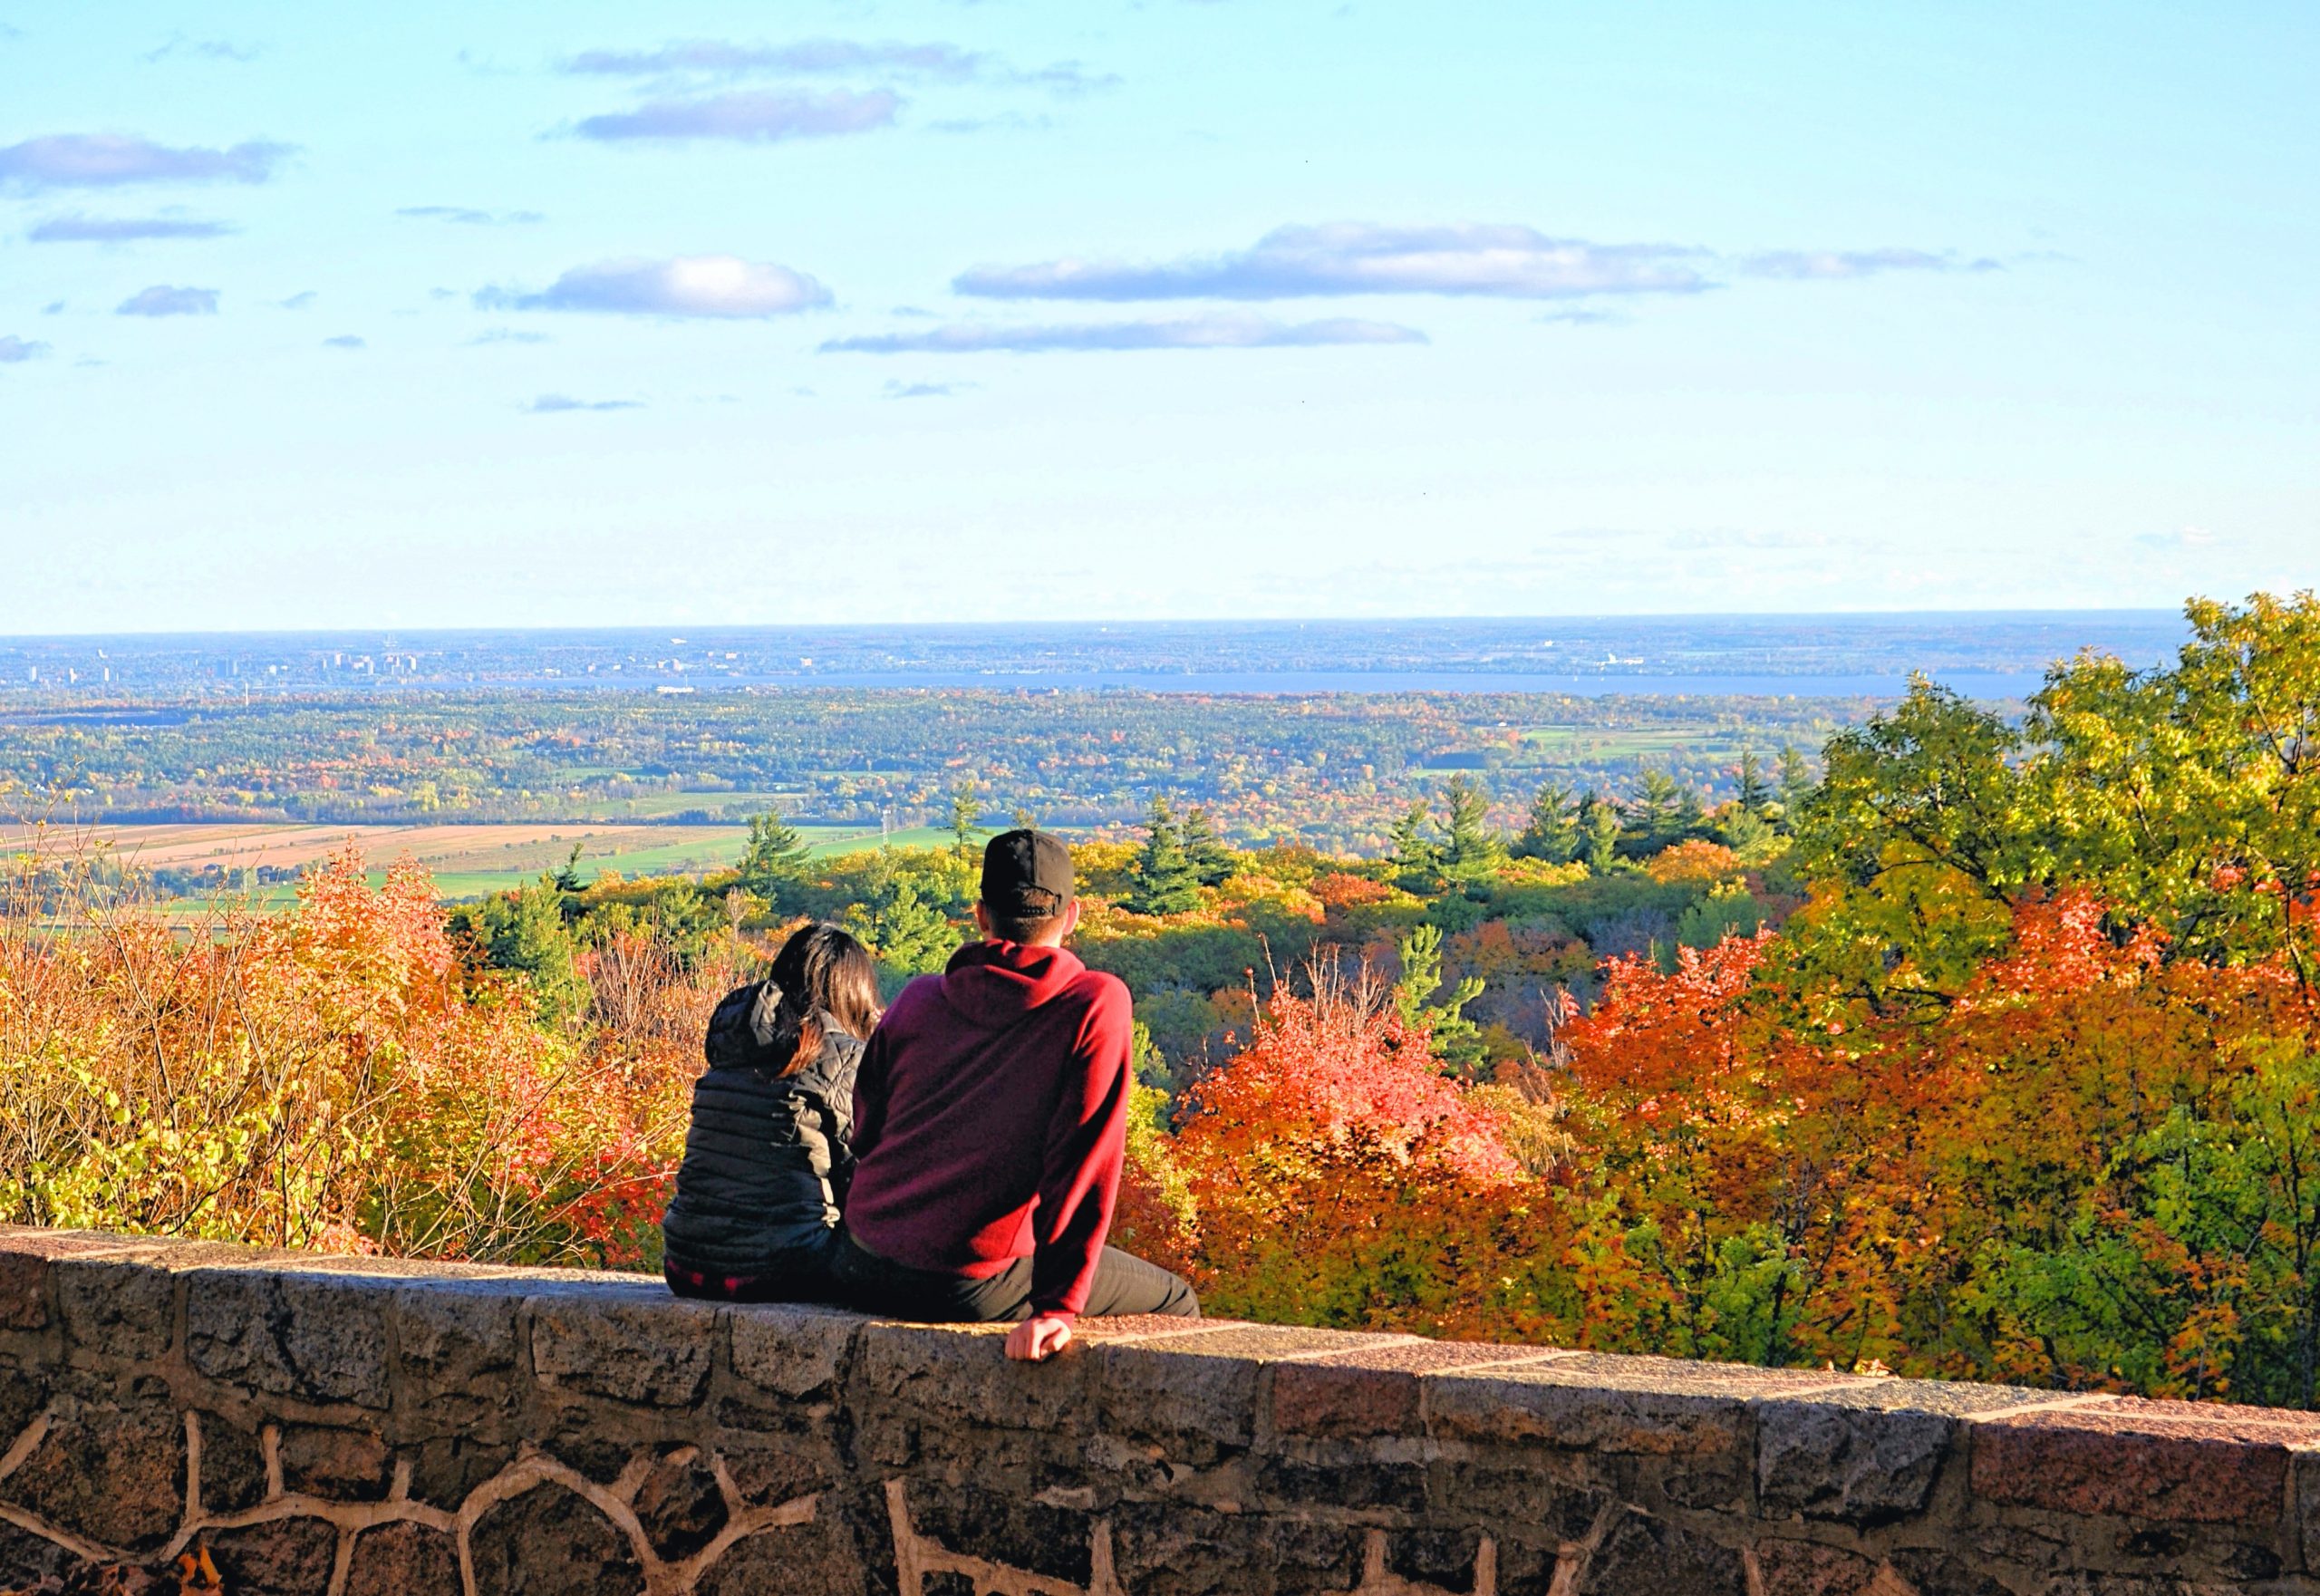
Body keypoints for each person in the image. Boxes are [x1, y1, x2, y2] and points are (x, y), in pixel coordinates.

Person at [832, 828, 1198, 1359]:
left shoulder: (916, 999)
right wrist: (1056, 1308)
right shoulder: (1093, 1004)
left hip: (858, 1259)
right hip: (966, 1279)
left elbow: (865, 1128)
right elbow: (1084, 1162)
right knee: (1175, 1298)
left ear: (981, 916)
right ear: (1071, 916)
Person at [662, 922, 881, 1303]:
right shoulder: (846, 1058)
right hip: (785, 1269)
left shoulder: (732, 1047)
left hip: (685, 1264)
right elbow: (865, 1185)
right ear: (855, 993)